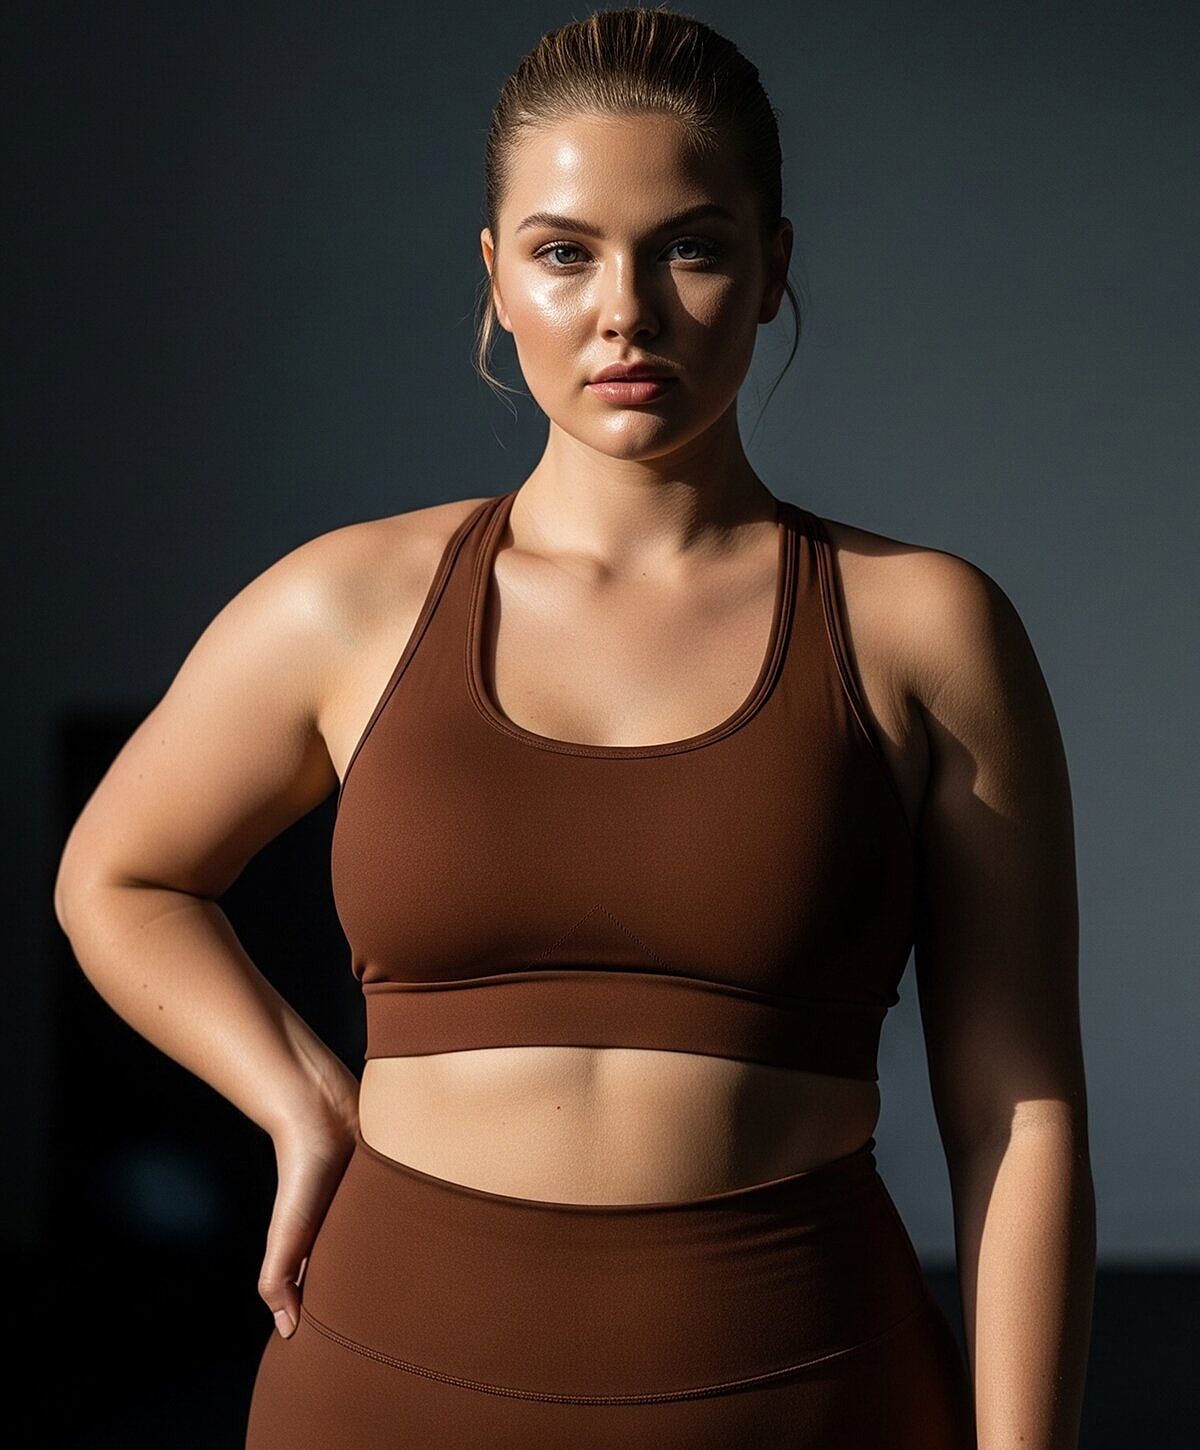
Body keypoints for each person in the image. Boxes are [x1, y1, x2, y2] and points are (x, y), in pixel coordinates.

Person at [53, 7, 1096, 1447]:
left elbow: (1021, 1117)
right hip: (378, 1385)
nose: (627, 311)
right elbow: (117, 875)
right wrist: (304, 1100)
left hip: (809, 1394)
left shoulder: (923, 627)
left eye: (691, 245)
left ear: (773, 267)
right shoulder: (346, 603)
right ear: (494, 276)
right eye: (564, 251)